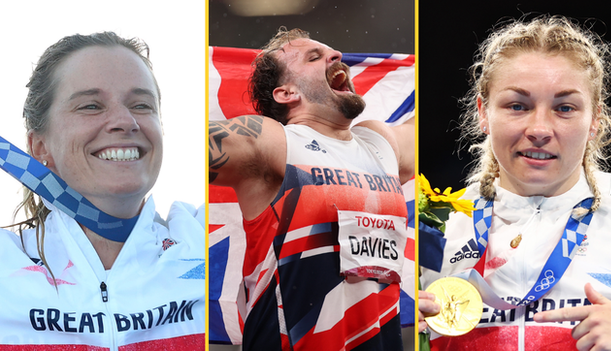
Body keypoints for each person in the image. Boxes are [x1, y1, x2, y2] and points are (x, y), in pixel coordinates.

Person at [418, 15, 611, 350]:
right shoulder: (433, 232)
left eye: (565, 108)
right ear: (484, 112)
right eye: (518, 105)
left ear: (595, 121)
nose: (540, 129)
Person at [209, 27, 415, 350]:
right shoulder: (275, 141)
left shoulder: (380, 144)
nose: (337, 56)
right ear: (286, 93)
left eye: (332, 52)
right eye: (314, 57)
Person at [0, 32, 205, 348]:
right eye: (91, 106)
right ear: (39, 146)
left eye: (141, 105)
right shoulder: (6, 266)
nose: (126, 122)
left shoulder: (208, 239)